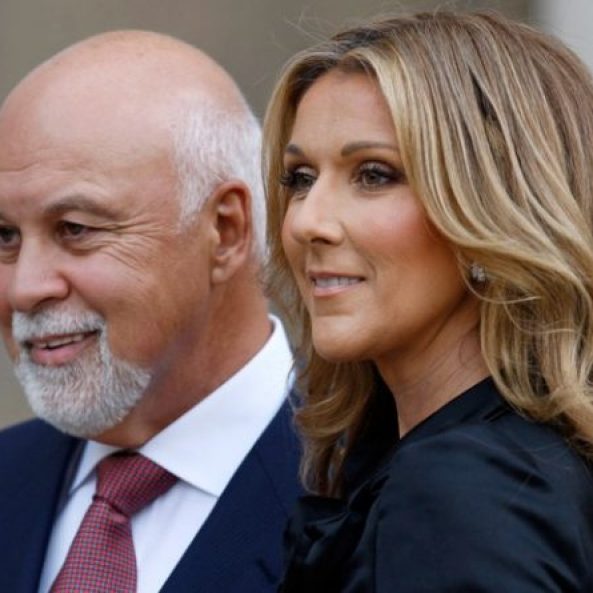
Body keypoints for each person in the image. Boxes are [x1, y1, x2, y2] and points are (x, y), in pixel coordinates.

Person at [263, 11, 593, 592]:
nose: (307, 222)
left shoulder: (466, 490)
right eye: (301, 177)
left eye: (373, 175)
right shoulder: (508, 462)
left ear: (494, 210)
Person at [0, 31, 300, 593]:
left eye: (75, 229)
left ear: (225, 231)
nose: (24, 288)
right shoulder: (8, 479)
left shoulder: (378, 492)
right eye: (4, 237)